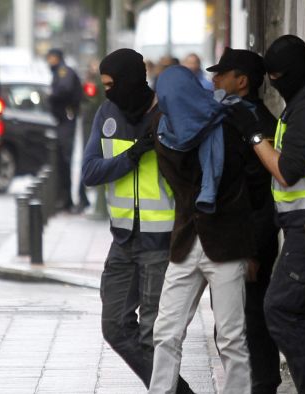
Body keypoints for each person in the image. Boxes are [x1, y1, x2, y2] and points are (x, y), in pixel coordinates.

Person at [82, 49, 192, 393]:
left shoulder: (167, 112)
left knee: (153, 336)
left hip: (160, 241)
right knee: (114, 326)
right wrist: (130, 156)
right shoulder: (107, 112)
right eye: (104, 85)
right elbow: (89, 171)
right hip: (123, 240)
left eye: (112, 84)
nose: (108, 92)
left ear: (132, 79)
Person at [231, 35, 305, 393]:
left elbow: (287, 170)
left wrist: (256, 137)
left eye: (277, 75)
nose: (273, 82)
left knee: (279, 309)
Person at [150, 65, 255, 394]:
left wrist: (252, 249)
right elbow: (182, 188)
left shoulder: (226, 124)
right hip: (185, 243)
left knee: (231, 337)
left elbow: (246, 185)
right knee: (166, 331)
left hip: (226, 243)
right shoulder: (163, 131)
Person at [207, 47, 281, 393]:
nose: (214, 79)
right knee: (234, 322)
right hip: (234, 236)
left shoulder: (256, 123)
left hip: (250, 239)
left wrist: (252, 250)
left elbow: (262, 196)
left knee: (249, 319)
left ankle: (263, 383)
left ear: (242, 81)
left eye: (222, 74)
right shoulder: (234, 116)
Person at [46, 48, 84, 212]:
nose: (49, 61)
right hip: (64, 119)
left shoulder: (63, 71)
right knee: (62, 159)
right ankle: (66, 197)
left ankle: (68, 198)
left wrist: (51, 96)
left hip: (66, 119)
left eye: (51, 58)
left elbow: (65, 89)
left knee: (65, 158)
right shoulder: (60, 72)